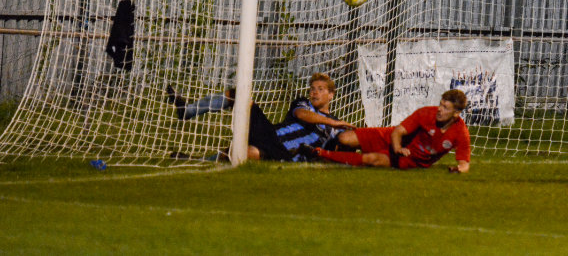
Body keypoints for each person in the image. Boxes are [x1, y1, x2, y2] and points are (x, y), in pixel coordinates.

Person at [167, 73, 355, 162]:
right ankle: (187, 110)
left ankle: (197, 160)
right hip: (271, 135)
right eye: (312, 88)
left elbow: (343, 148)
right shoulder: (304, 104)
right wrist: (333, 121)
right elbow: (302, 115)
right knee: (239, 95)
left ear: (331, 95)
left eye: (320, 89)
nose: (314, 92)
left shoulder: (338, 130)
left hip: (286, 154)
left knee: (246, 153)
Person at [301, 89, 471, 173]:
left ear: (456, 113)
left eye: (445, 107)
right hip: (394, 140)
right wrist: (397, 148)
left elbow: (464, 163)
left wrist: (458, 169)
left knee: (371, 159)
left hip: (410, 159)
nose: (440, 109)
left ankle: (320, 153)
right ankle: (341, 156)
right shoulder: (426, 113)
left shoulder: (460, 133)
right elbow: (398, 132)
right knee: (345, 138)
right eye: (441, 104)